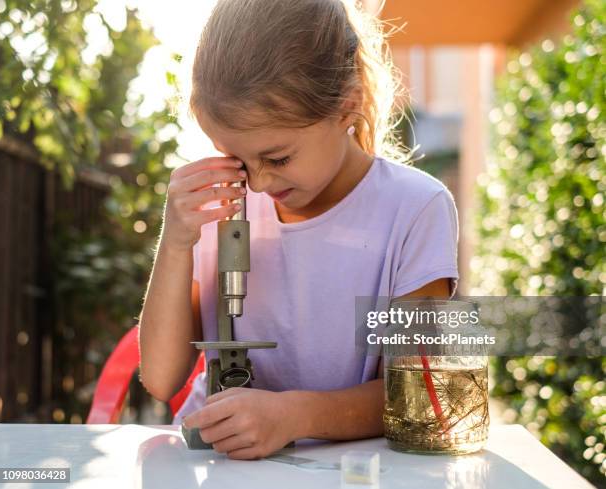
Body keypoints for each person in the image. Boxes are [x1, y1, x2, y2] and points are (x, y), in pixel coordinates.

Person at [138, 0, 459, 460]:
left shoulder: (414, 210)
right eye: (238, 160)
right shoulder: (218, 204)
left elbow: (418, 393)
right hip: (215, 465)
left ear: (348, 106)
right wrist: (175, 242)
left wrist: (293, 416)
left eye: (278, 158)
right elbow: (162, 377)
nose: (260, 183)